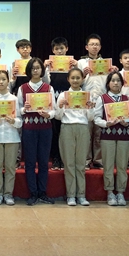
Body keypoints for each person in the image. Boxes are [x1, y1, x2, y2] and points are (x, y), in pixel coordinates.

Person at [17, 58, 56, 206]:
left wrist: (48, 115)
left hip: (45, 128)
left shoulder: (48, 88)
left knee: (44, 162)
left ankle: (43, 192)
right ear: (28, 70)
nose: (35, 70)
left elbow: (54, 110)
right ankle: (33, 193)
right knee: (30, 162)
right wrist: (24, 109)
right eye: (32, 68)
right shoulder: (23, 88)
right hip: (29, 129)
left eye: (38, 68)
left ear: (42, 70)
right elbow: (18, 110)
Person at [77, 34, 118, 169]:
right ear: (86, 47)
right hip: (86, 101)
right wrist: (83, 74)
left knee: (99, 132)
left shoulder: (106, 63)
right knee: (86, 133)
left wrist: (114, 72)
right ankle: (86, 160)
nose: (94, 47)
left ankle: (99, 160)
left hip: (101, 100)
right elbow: (75, 82)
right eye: (92, 44)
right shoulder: (80, 63)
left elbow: (111, 83)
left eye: (97, 44)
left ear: (100, 47)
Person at [55, 67, 94, 206]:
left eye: (78, 78)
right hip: (67, 127)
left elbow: (90, 118)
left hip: (83, 128)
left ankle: (81, 195)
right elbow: (58, 116)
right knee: (69, 163)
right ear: (68, 79)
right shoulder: (63, 95)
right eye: (73, 78)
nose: (75, 80)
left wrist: (90, 107)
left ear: (83, 79)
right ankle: (71, 195)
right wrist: (61, 106)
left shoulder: (86, 95)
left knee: (81, 163)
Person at [94, 71, 129, 207]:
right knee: (108, 165)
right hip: (108, 136)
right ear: (108, 83)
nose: (116, 83)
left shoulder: (127, 99)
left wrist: (127, 123)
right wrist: (106, 123)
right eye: (113, 80)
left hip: (124, 137)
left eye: (118, 80)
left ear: (122, 83)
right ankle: (110, 192)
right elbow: (96, 118)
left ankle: (120, 192)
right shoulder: (103, 98)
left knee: (122, 165)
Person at [0, 69, 21, 206]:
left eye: (4, 79)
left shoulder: (14, 99)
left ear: (8, 81)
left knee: (10, 167)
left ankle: (8, 194)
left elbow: (20, 121)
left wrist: (13, 121)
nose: (1, 82)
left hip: (12, 137)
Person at [44, 37, 77, 171]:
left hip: (69, 100)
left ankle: (66, 158)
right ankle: (56, 158)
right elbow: (46, 83)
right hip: (54, 100)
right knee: (55, 131)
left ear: (66, 49)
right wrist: (45, 67)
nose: (59, 51)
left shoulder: (72, 64)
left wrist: (76, 67)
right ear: (53, 50)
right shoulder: (49, 65)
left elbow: (78, 80)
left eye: (62, 48)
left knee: (66, 131)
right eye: (57, 49)